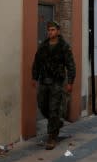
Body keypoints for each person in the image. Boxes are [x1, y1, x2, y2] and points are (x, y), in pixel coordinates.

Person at [31, 20, 75, 150]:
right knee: (43, 106)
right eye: (49, 30)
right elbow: (37, 62)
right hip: (44, 81)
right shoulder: (43, 46)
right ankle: (57, 123)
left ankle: (52, 136)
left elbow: (70, 65)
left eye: (53, 30)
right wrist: (34, 77)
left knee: (53, 109)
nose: (50, 32)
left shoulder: (64, 46)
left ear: (58, 31)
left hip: (57, 82)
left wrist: (70, 82)